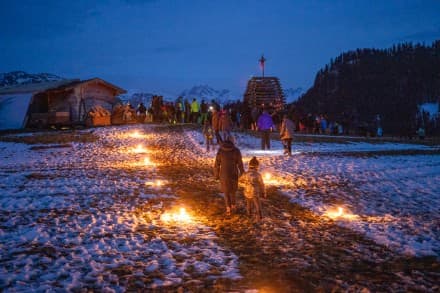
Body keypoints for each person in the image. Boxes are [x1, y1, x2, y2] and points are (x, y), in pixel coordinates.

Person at [214, 136, 244, 216]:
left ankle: (228, 208)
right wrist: (242, 174)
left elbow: (217, 164)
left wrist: (216, 175)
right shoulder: (236, 151)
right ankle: (234, 206)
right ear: (232, 142)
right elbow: (240, 164)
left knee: (226, 191)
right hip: (233, 173)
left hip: (224, 174)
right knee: (233, 191)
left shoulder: (220, 151)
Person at [239, 156, 265, 221]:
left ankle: (249, 214)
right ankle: (260, 215)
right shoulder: (258, 174)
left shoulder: (246, 174)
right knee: (257, 203)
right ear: (257, 166)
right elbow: (262, 184)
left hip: (247, 191)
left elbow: (240, 180)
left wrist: (245, 184)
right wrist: (263, 192)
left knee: (248, 203)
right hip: (255, 192)